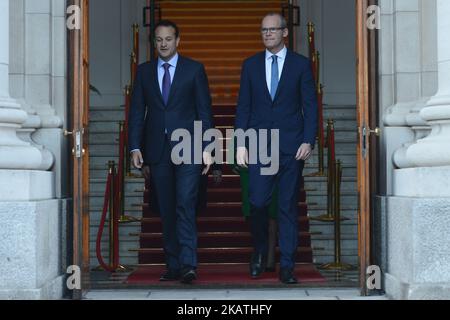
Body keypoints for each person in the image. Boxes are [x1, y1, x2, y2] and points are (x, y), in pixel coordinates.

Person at [234, 13, 318, 284]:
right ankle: (259, 251)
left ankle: (288, 265)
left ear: (284, 32)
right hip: (259, 145)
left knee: (287, 207)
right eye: (263, 30)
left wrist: (308, 140)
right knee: (257, 202)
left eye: (272, 29)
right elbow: (243, 107)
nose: (267, 33)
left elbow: (310, 105)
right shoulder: (250, 65)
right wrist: (240, 144)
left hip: (292, 147)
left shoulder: (301, 65)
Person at [128, 20, 213, 284]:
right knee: (165, 208)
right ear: (154, 43)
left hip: (188, 148)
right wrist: (134, 146)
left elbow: (204, 111)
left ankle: (189, 264)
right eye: (158, 40)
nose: (163, 44)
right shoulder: (143, 72)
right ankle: (173, 265)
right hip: (158, 150)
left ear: (178, 41)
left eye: (168, 39)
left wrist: (208, 149)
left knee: (184, 204)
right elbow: (137, 113)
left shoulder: (194, 70)